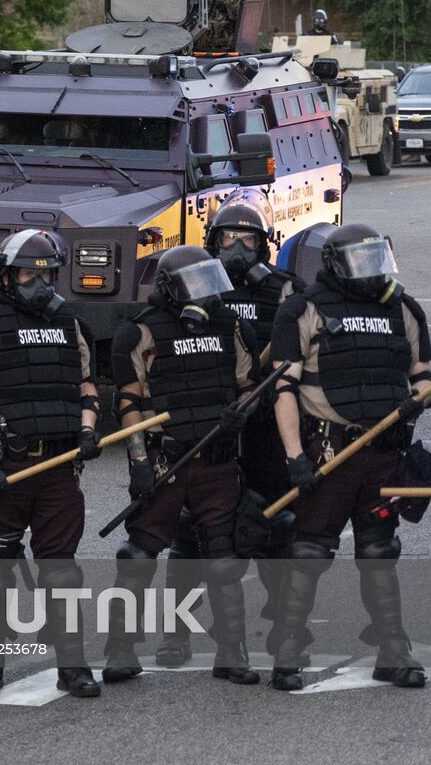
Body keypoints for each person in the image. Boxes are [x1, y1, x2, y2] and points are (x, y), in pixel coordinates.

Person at [267, 224, 431, 691]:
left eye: (377, 259)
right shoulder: (303, 310)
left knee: (380, 551)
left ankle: (393, 652)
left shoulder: (403, 308)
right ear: (336, 265)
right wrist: (296, 457)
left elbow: (421, 373)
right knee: (308, 552)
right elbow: (283, 389)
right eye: (361, 262)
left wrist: (422, 397)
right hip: (330, 453)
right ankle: (287, 654)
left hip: (384, 455)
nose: (371, 271)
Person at [0, 230, 102, 698]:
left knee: (61, 571)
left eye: (46, 275)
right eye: (27, 274)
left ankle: (72, 667)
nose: (38, 283)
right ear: (7, 275)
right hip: (6, 467)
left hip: (58, 469)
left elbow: (87, 388)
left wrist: (88, 431)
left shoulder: (71, 324)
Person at [105, 245, 260, 687]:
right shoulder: (140, 333)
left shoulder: (232, 326)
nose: (206, 293)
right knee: (137, 556)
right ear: (171, 289)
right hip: (166, 459)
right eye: (196, 284)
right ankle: (120, 650)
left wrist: (241, 412)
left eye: (210, 281)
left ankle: (232, 653)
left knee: (223, 559)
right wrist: (139, 463)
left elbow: (249, 386)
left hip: (217, 462)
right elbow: (129, 403)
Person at [157, 202, 303, 667]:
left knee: (277, 526)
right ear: (212, 241)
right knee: (189, 534)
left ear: (263, 245)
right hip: (209, 426)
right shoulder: (190, 285)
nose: (237, 249)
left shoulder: (285, 290)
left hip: (266, 426)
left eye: (248, 240)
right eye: (228, 239)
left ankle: (285, 629)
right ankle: (176, 633)